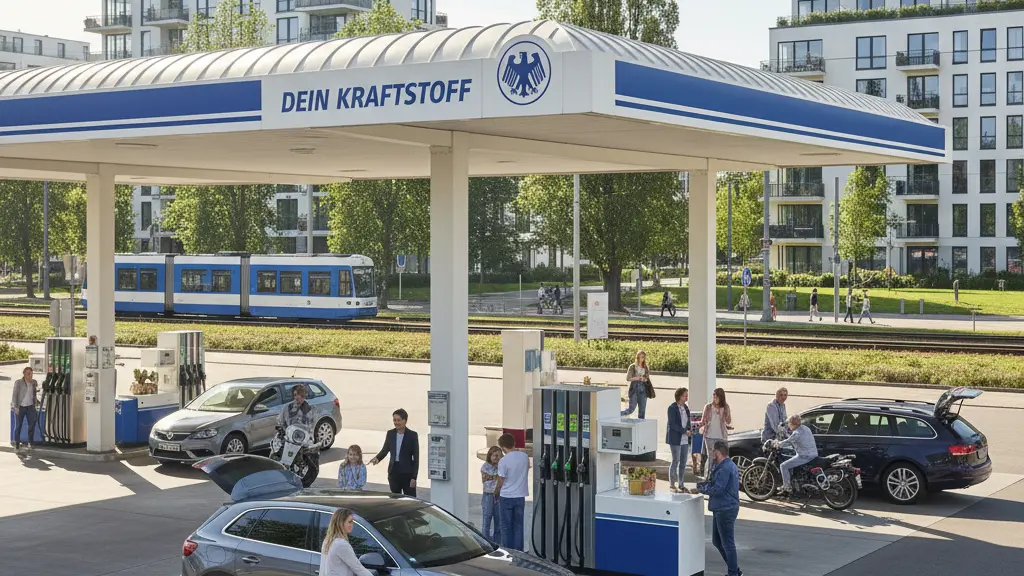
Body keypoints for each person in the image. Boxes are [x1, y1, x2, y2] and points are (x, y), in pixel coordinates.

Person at [694, 441, 742, 576]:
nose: (711, 453)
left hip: (725, 509)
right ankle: (735, 570)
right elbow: (713, 483)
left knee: (728, 544)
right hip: (721, 507)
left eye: (713, 451)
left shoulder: (725, 468)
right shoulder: (722, 465)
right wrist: (701, 485)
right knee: (717, 541)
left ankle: (733, 573)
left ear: (718, 452)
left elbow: (718, 489)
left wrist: (701, 489)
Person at [370, 408, 419, 496]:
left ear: (405, 421)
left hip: (407, 473)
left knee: (410, 500)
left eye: (399, 420)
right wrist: (377, 458)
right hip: (394, 472)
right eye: (394, 420)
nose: (396, 422)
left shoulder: (412, 435)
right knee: (395, 499)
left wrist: (414, 477)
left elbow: (416, 458)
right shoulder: (390, 433)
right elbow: (385, 450)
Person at [495, 433, 529, 551]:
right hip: (520, 496)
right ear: (514, 443)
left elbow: (500, 481)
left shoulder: (503, 461)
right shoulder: (524, 456)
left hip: (506, 497)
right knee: (518, 526)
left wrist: (496, 492)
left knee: (506, 527)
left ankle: (508, 552)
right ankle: (519, 552)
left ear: (502, 447)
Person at [319, 508, 375, 576]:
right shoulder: (341, 544)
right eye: (349, 522)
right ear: (341, 523)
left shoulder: (328, 540)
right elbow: (358, 568)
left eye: (352, 522)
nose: (352, 525)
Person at [777, 414, 818, 495]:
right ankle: (792, 481)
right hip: (813, 453)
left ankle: (787, 487)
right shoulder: (805, 428)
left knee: (783, 466)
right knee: (791, 460)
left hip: (805, 456)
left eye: (789, 423)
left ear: (793, 424)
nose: (788, 425)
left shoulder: (797, 433)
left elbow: (787, 442)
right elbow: (793, 439)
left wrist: (776, 444)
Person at [699, 388, 732, 475]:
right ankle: (710, 477)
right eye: (713, 395)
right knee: (711, 458)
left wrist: (724, 413)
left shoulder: (725, 407)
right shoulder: (708, 407)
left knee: (722, 458)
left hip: (721, 436)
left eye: (716, 396)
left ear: (721, 397)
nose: (714, 397)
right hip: (709, 436)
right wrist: (702, 424)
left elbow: (728, 421)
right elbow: (703, 421)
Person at [666, 387, 692, 493]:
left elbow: (688, 420)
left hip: (685, 439)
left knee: (683, 462)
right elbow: (672, 424)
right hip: (675, 438)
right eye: (685, 395)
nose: (687, 397)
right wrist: (684, 431)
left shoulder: (685, 407)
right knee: (675, 460)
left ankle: (681, 484)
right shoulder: (672, 408)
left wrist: (689, 430)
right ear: (680, 396)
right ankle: (672, 484)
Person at [11, 366, 38, 451]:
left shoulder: (34, 382)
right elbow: (15, 395)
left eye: (31, 374)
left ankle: (31, 442)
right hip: (21, 407)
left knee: (31, 425)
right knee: (18, 425)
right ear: (24, 374)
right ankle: (17, 443)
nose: (30, 376)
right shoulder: (18, 382)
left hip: (30, 407)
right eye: (28, 374)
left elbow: (34, 394)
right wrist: (15, 407)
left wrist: (36, 404)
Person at [480, 446, 503, 543]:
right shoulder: (485, 466)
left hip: (499, 496)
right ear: (490, 456)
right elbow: (487, 478)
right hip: (488, 496)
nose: (497, 458)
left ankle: (497, 542)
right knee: (487, 520)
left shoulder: (502, 466)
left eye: (499, 456)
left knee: (499, 521)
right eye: (495, 455)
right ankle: (485, 541)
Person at [621, 350, 652, 419]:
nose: (641, 359)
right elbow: (628, 378)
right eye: (639, 357)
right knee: (630, 410)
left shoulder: (646, 367)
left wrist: (645, 379)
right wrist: (638, 378)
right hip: (634, 389)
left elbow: (647, 378)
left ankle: (640, 428)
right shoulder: (632, 366)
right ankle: (616, 414)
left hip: (643, 390)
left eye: (643, 357)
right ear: (637, 357)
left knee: (642, 412)